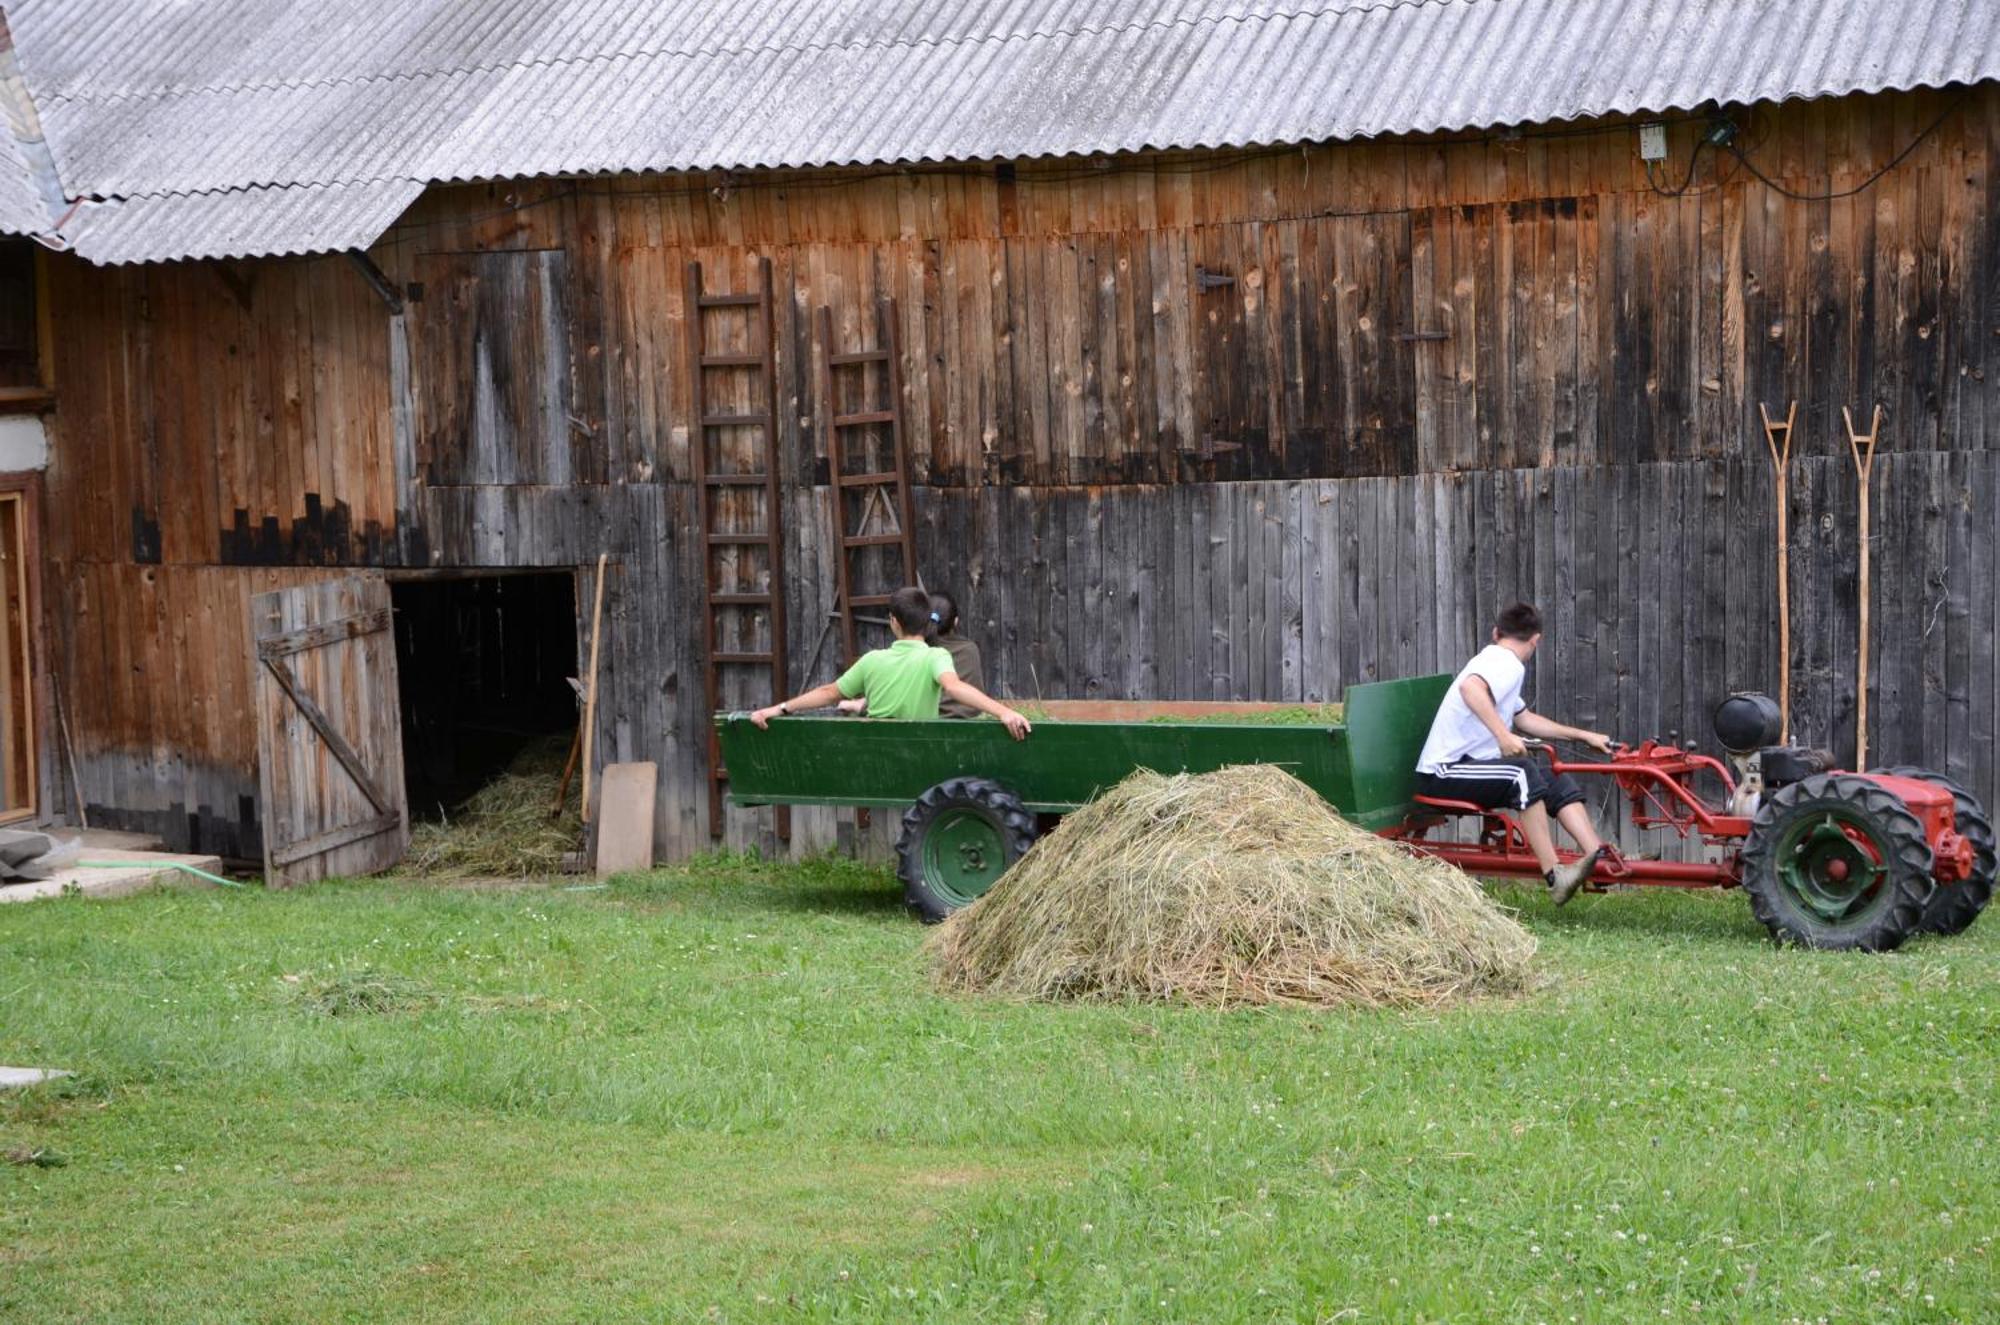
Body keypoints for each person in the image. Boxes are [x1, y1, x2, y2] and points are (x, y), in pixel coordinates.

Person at [1414, 602, 1613, 905]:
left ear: (1496, 632)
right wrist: (1502, 735)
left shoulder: (1498, 661)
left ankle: (1593, 856)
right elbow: (1471, 689)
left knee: (1553, 779)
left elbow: (1525, 718)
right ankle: (1554, 877)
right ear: (1536, 640)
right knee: (1522, 772)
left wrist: (1584, 735)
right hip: (1444, 772)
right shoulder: (1504, 662)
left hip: (1468, 767)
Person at [750, 586, 1031, 739]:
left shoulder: (871, 660)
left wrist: (779, 708)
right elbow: (955, 687)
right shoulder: (936, 657)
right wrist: (1003, 712)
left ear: (893, 622)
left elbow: (828, 693)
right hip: (921, 753)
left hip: (878, 757)